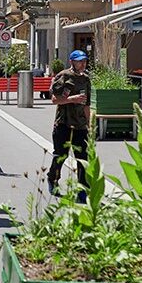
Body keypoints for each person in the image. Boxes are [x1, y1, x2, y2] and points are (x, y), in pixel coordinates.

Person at [49, 50, 92, 200]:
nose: (83, 63)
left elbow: (87, 103)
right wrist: (71, 99)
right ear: (72, 62)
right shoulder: (64, 76)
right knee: (61, 155)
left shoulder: (86, 79)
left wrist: (89, 124)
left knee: (83, 158)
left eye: (84, 61)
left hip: (80, 125)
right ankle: (52, 180)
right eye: (79, 61)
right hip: (64, 123)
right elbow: (54, 100)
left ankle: (82, 189)